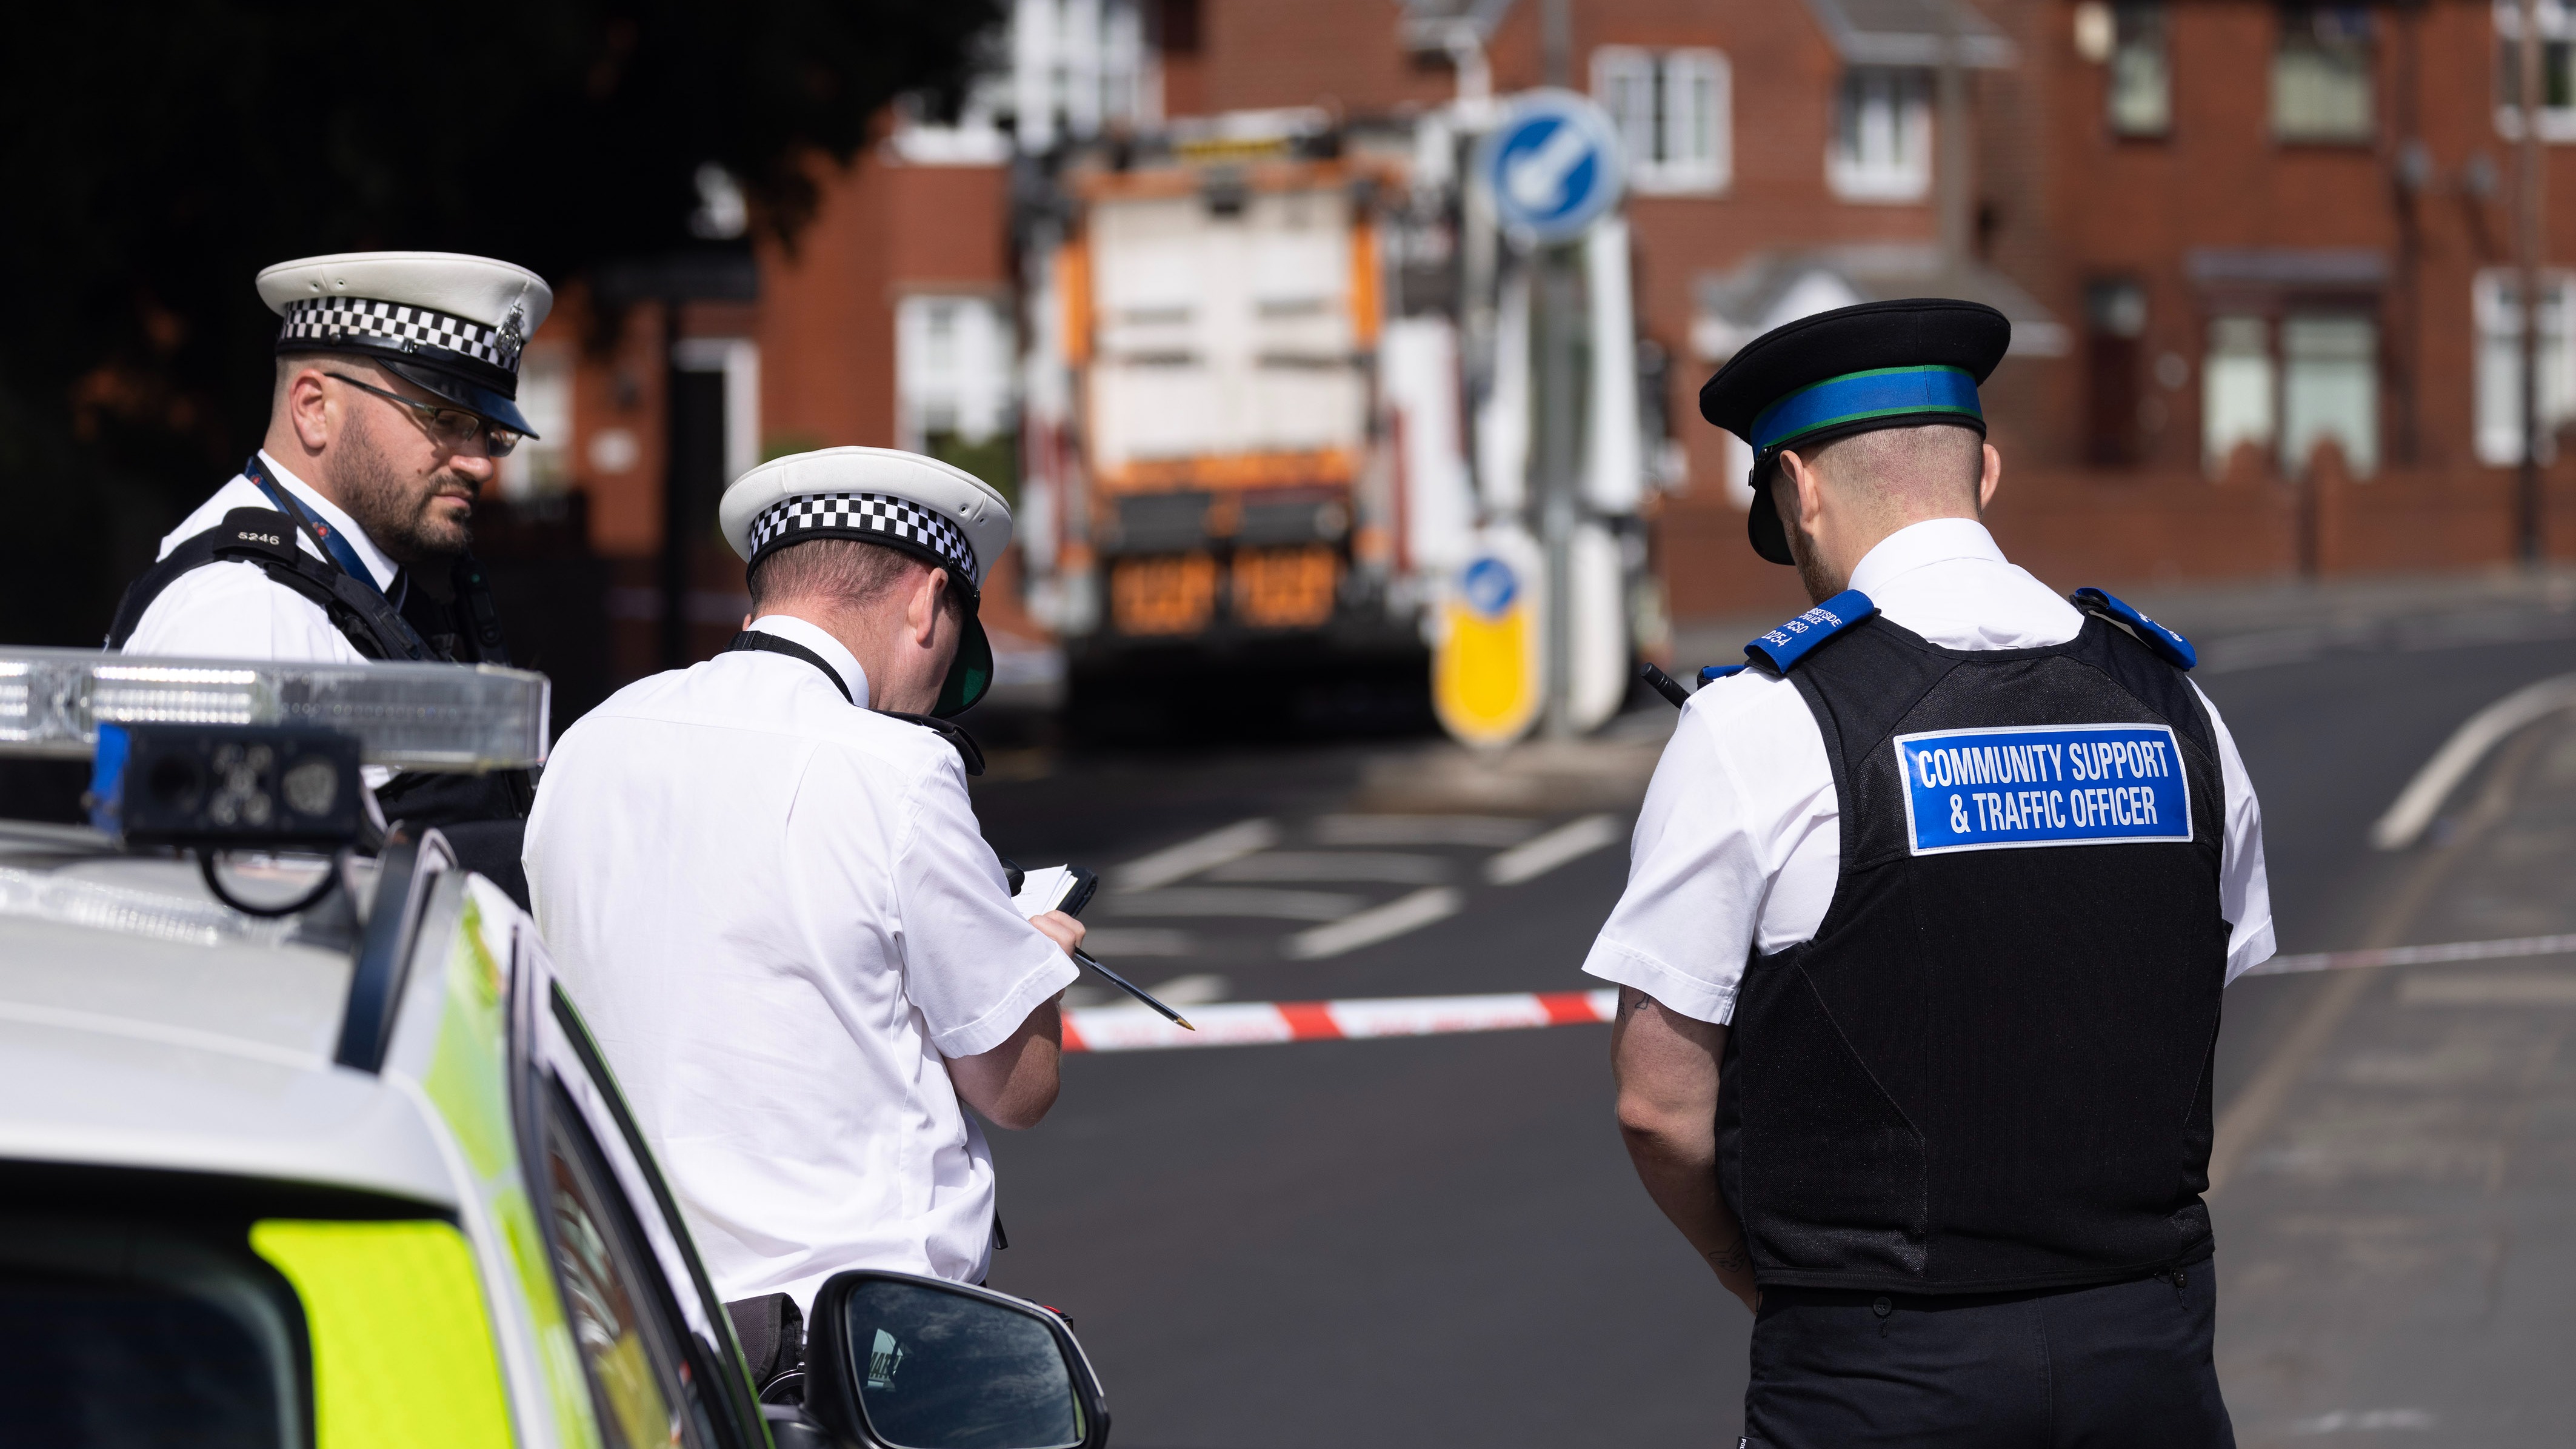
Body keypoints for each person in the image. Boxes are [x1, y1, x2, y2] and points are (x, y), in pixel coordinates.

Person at [1586, 298, 2272, 1447]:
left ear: (1798, 488)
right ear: (1987, 471)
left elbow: (1659, 1105)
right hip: (2145, 1353)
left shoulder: (1762, 726)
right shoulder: (2175, 704)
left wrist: (1750, 1275)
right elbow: (2187, 991)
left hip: (1879, 1370)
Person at [523, 446, 1078, 1314]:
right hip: (844, 1345)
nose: (937, 694)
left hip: (625, 1325)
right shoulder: (897, 772)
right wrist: (1032, 961)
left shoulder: (589, 742)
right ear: (930, 601)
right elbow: (1017, 1087)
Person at [108, 251, 553, 885]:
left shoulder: (347, 586)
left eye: (489, 432)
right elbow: (256, 938)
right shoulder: (244, 616)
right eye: (446, 419)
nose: (480, 462)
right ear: (314, 407)